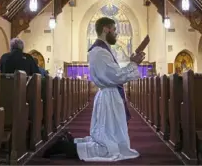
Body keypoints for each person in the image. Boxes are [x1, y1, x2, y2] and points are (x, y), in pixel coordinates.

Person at [44, 17, 145, 162]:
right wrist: (133, 64)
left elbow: (114, 73)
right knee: (107, 147)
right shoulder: (99, 51)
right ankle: (65, 147)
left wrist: (132, 63)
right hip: (109, 97)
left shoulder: (102, 50)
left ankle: (71, 142)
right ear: (106, 29)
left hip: (110, 96)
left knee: (111, 137)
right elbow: (115, 76)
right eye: (114, 29)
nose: (117, 33)